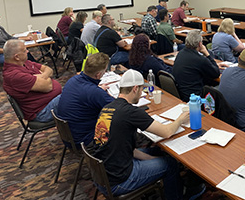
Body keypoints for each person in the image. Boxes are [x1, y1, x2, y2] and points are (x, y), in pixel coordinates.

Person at [92, 69, 190, 199]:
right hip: (119, 181)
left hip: (103, 175)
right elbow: (167, 132)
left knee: (159, 152)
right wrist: (181, 119)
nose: (142, 93)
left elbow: (128, 149)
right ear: (135, 89)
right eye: (141, 90)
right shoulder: (131, 112)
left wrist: (153, 160)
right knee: (170, 164)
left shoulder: (107, 108)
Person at [56, 53, 114, 146]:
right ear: (98, 74)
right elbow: (119, 108)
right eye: (105, 71)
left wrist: (99, 90)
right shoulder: (94, 92)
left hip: (69, 135)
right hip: (84, 139)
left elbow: (88, 94)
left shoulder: (73, 80)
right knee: (119, 123)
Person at [2, 39, 62, 122]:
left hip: (50, 102)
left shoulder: (25, 63)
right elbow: (48, 86)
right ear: (16, 57)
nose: (27, 51)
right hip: (42, 111)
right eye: (24, 50)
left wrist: (42, 76)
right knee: (77, 96)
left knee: (77, 92)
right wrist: (47, 77)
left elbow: (48, 69)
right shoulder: (14, 75)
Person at [172, 30, 220, 102]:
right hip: (196, 97)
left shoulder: (180, 53)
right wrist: (207, 54)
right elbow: (216, 73)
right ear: (200, 44)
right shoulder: (200, 59)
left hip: (183, 93)